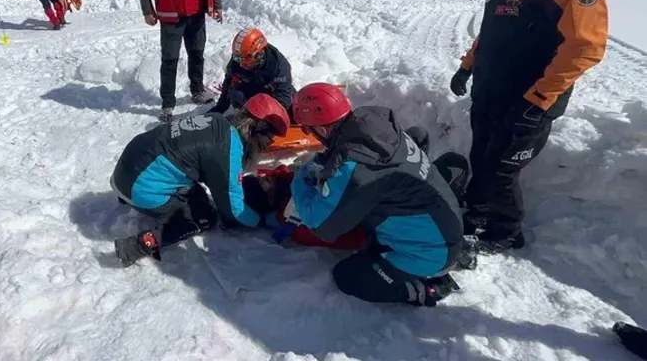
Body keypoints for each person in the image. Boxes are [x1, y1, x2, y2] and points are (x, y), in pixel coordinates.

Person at [452, 0, 610, 253]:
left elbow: (586, 46)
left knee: (503, 169)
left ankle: (504, 231)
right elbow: (493, 29)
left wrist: (539, 99)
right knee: (481, 155)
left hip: (530, 97)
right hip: (491, 87)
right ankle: (475, 212)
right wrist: (468, 65)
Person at [289, 82, 465, 307]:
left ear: (321, 129)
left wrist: (299, 181)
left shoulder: (356, 170)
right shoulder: (374, 124)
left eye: (307, 129)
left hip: (432, 252)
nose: (307, 133)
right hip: (444, 220)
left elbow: (322, 226)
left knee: (348, 277)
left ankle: (423, 288)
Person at [111, 93, 290, 267]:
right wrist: (259, 221)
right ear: (257, 128)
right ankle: (139, 245)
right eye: (270, 137)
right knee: (203, 216)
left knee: (197, 195)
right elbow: (233, 209)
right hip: (137, 187)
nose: (269, 144)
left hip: (128, 167)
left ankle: (129, 194)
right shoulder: (227, 148)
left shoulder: (219, 122)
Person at [209, 27, 295, 117]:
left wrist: (268, 121)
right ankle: (246, 114)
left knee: (292, 110)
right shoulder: (239, 58)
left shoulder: (279, 66)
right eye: (238, 58)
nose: (241, 64)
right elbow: (228, 84)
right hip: (254, 88)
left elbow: (283, 98)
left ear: (259, 54)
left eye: (246, 59)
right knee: (235, 95)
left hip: (273, 94)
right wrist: (219, 109)